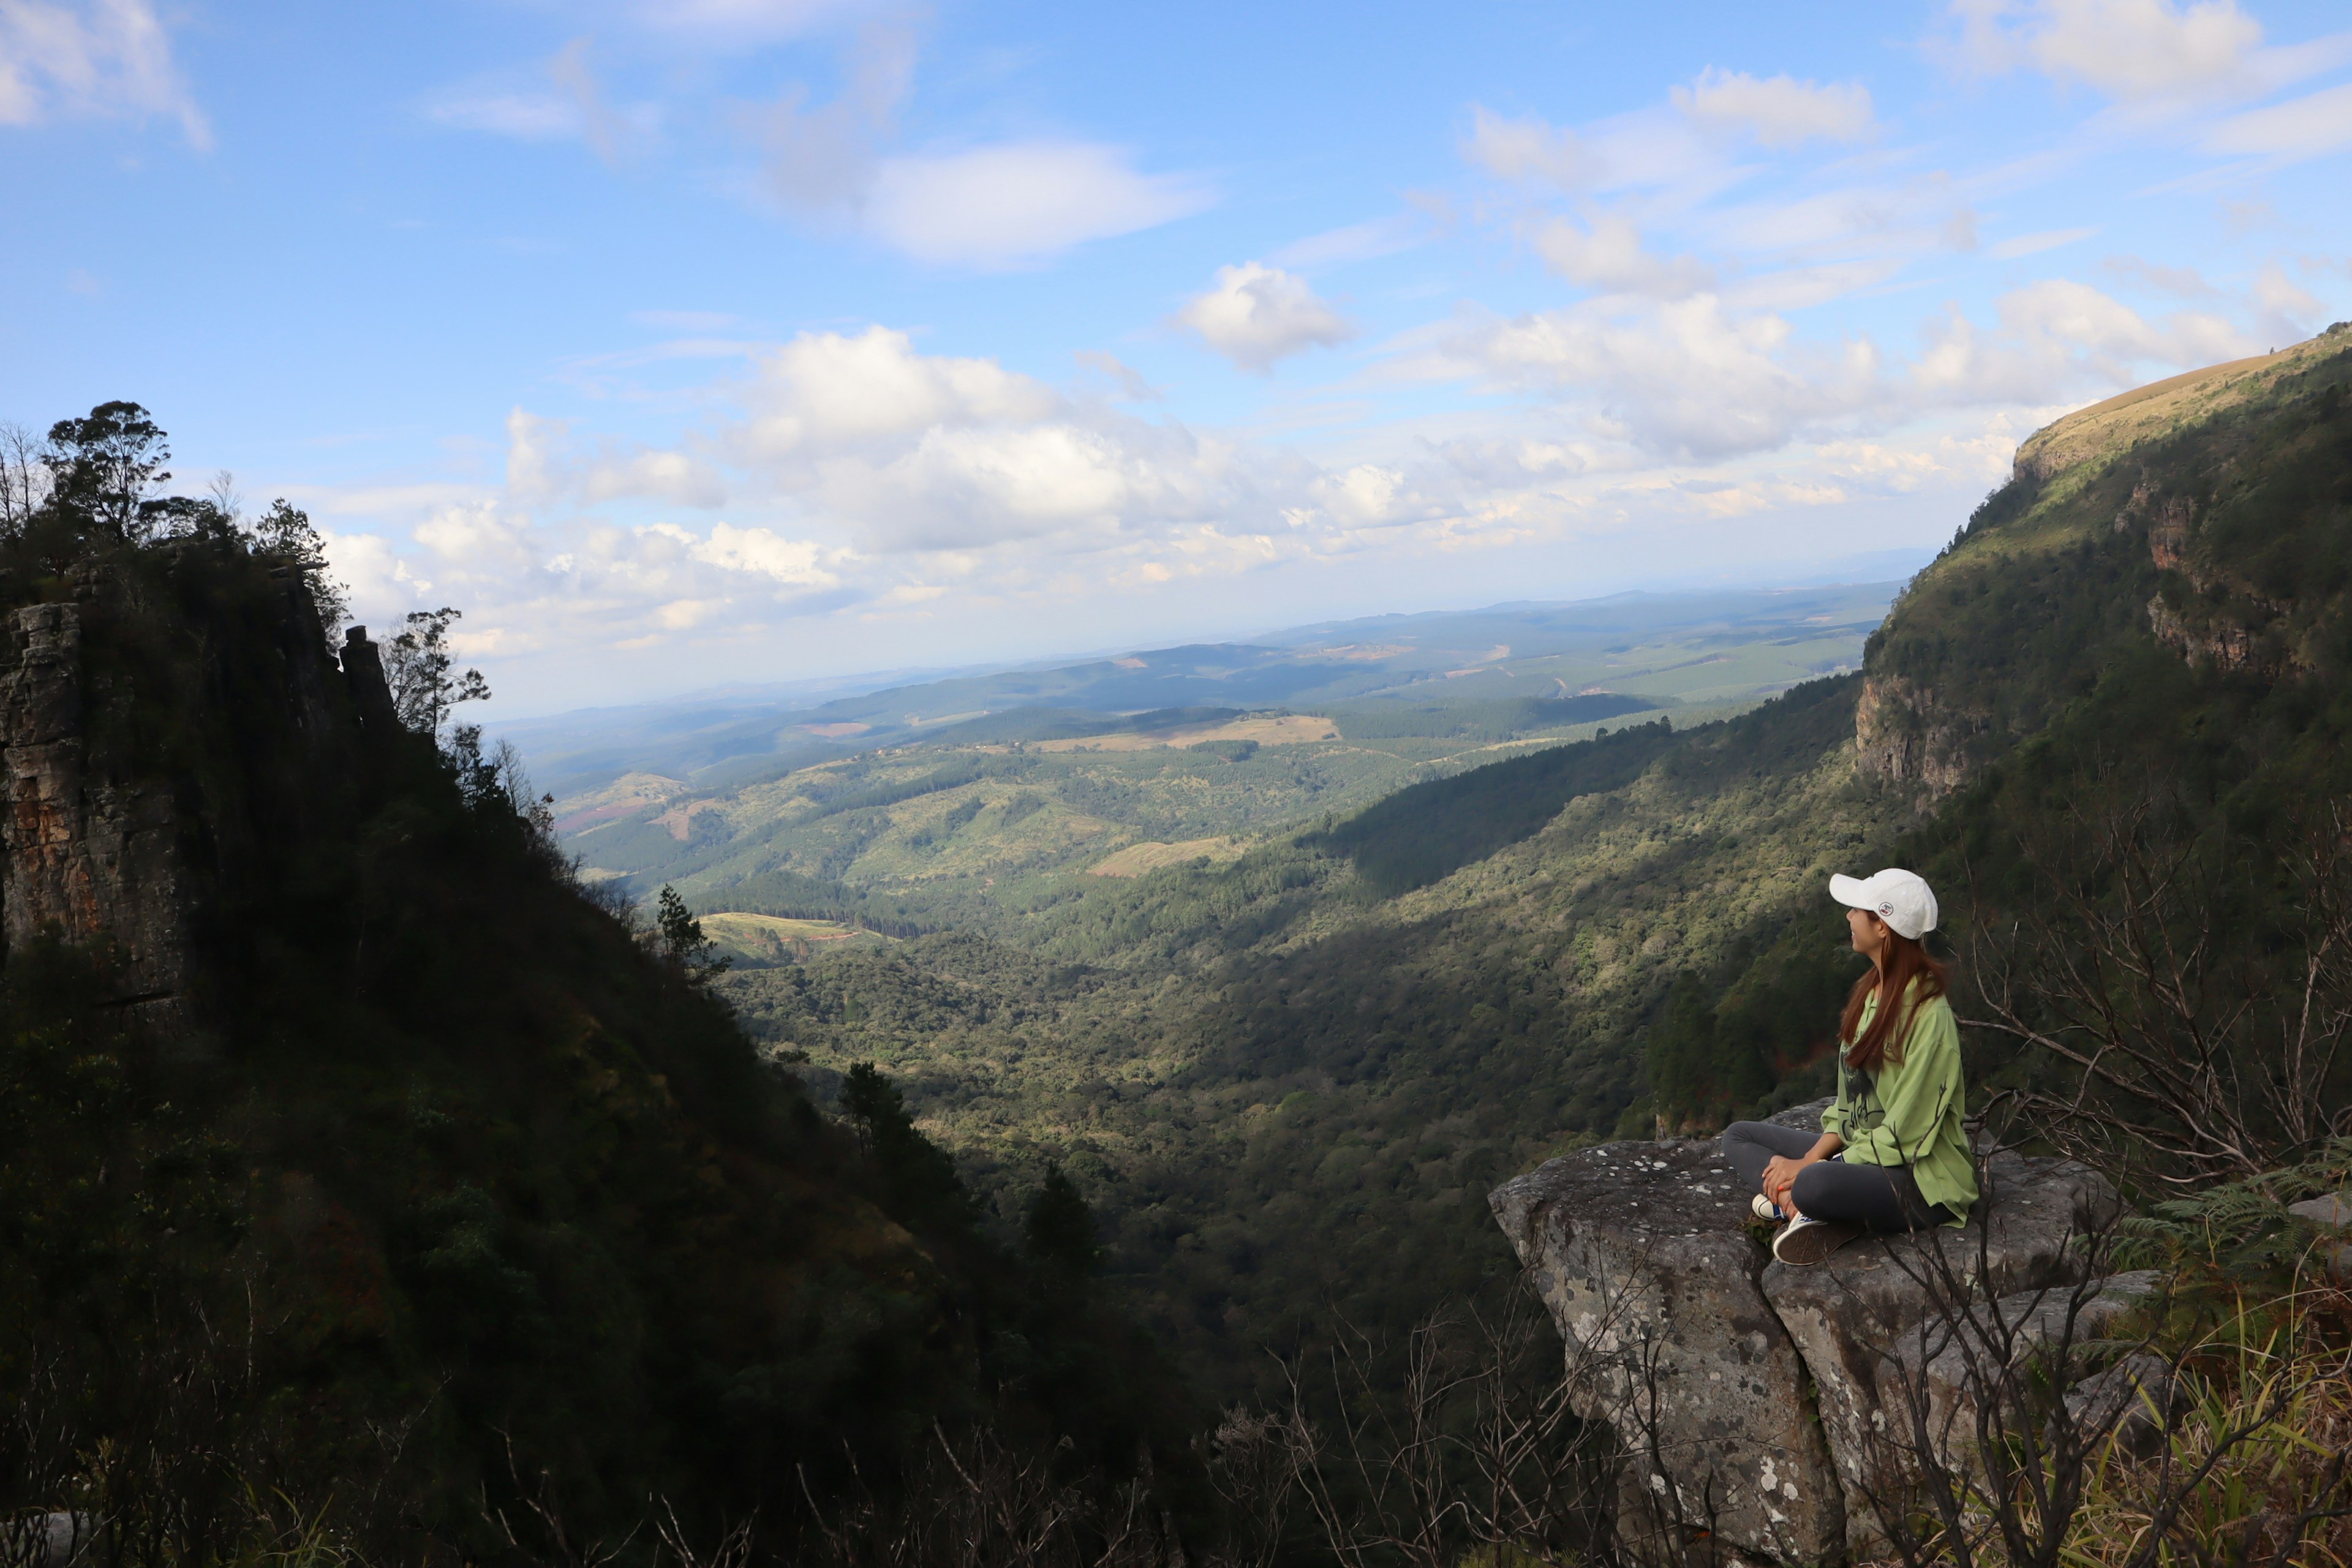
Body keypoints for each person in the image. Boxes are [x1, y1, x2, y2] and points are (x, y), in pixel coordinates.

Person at [1719, 868, 1978, 1265]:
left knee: (1814, 1181)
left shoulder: (1928, 1014)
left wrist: (1810, 1166)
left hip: (1921, 1181)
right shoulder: (1871, 993)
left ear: (1883, 925)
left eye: (1858, 909)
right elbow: (1849, 1108)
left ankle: (1807, 1203)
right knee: (1737, 1137)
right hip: (1866, 1157)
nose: (1849, 917)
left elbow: (1906, 1134)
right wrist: (1811, 1157)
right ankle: (1802, 1209)